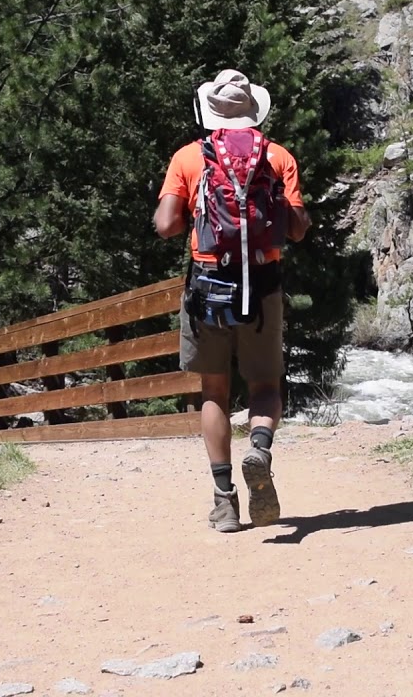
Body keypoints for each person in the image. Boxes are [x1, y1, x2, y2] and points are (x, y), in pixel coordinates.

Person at [153, 69, 311, 533]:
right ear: (252, 110)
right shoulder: (278, 156)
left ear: (213, 111)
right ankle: (259, 448)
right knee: (264, 385)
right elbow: (298, 229)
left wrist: (195, 215)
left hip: (207, 287)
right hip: (262, 284)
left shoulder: (189, 156)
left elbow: (166, 225)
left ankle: (224, 502)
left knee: (214, 391)